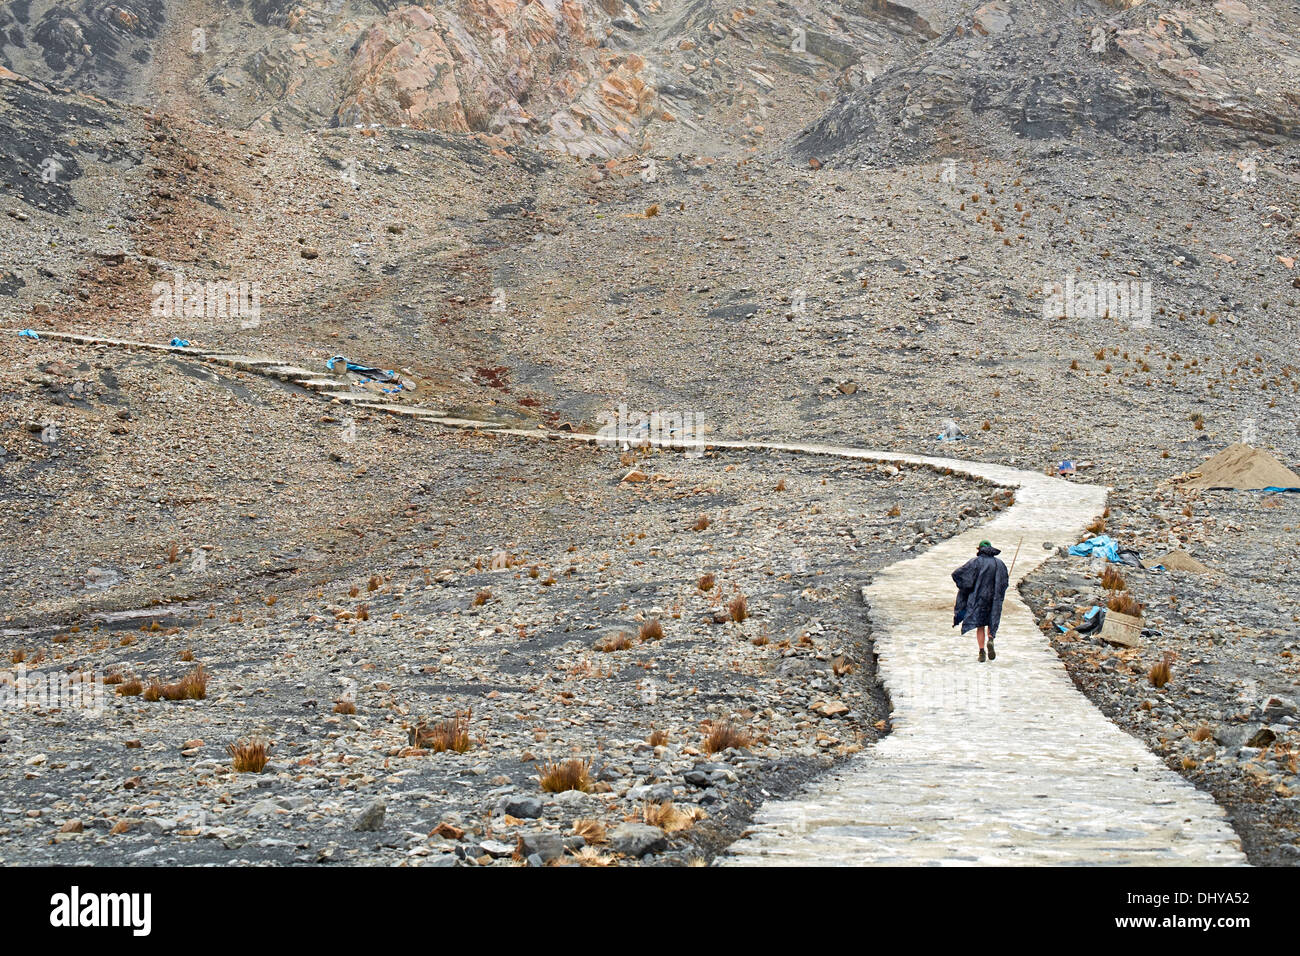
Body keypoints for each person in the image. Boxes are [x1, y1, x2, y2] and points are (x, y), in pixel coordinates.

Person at [952, 539, 1009, 662]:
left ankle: (981, 651)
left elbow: (958, 574)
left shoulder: (975, 562)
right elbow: (1004, 583)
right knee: (992, 621)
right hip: (994, 599)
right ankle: (991, 639)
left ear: (979, 549)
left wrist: (967, 587)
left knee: (980, 625)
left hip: (979, 598)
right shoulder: (999, 563)